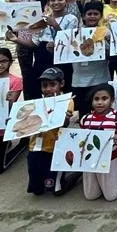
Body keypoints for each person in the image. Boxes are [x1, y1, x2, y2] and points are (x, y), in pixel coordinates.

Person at [78, 83, 117, 201]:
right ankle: (99, 181)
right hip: (90, 160)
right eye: (96, 99)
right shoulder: (85, 119)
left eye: (104, 98)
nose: (100, 102)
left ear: (112, 100)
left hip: (111, 159)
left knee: (111, 196)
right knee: (91, 195)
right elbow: (81, 139)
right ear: (92, 101)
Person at [26, 67, 74, 196]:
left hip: (53, 146)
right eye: (44, 85)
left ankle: (65, 178)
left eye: (52, 85)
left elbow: (65, 122)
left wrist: (63, 117)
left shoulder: (67, 101)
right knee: (36, 188)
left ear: (61, 84)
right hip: (34, 146)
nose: (48, 89)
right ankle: (38, 184)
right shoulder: (37, 102)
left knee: (54, 188)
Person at [71, 3, 111, 119]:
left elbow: (111, 56)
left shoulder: (105, 32)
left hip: (100, 78)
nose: (92, 16)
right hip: (79, 80)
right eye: (89, 14)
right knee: (84, 114)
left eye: (96, 14)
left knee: (101, 113)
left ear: (101, 16)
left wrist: (108, 43)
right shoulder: (74, 33)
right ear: (83, 16)